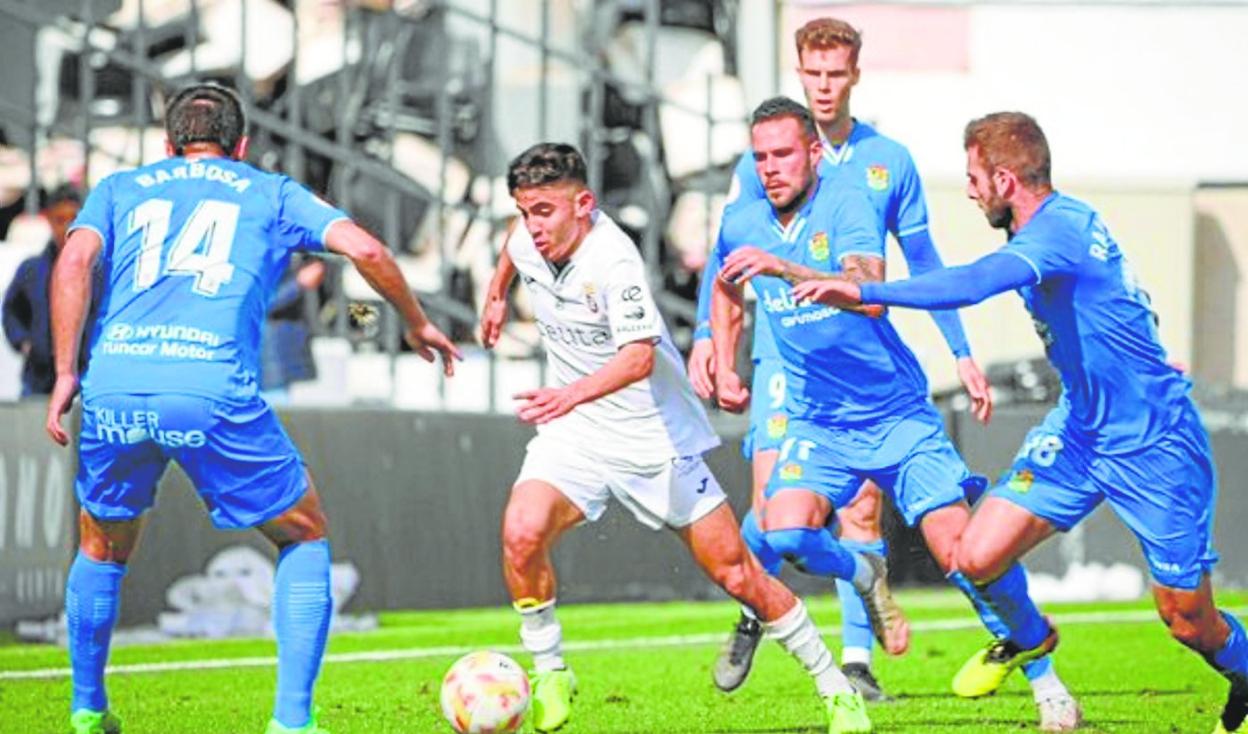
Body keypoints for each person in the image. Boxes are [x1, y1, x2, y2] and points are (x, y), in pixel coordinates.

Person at [795, 110, 1248, 734]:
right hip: (1083, 431)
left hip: (1154, 445)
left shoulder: (1053, 235)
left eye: (975, 178)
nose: (972, 190)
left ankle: (1245, 673)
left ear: (1006, 180)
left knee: (1188, 620)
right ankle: (1031, 641)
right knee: (972, 555)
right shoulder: (1065, 223)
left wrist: (867, 292)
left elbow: (974, 282)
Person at [44, 82, 460, 734]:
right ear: (241, 145)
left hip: (115, 383)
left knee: (100, 547)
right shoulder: (268, 189)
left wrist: (67, 369)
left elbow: (75, 260)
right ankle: (292, 721)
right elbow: (369, 250)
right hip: (208, 385)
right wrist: (414, 322)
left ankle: (87, 709)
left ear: (167, 143)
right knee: (304, 532)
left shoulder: (121, 188)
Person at [481, 141, 883, 734]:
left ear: (584, 204)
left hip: (654, 441)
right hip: (577, 434)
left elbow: (639, 358)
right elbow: (512, 255)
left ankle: (834, 688)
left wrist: (566, 394)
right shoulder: (528, 238)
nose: (532, 226)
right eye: (524, 210)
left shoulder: (613, 263)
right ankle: (549, 668)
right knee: (520, 532)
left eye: (544, 211)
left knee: (739, 575)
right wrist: (494, 296)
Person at [714, 98, 1080, 732]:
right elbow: (723, 286)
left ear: (811, 154)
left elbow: (870, 293)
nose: (771, 168)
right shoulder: (741, 221)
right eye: (761, 156)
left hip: (895, 414)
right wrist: (723, 358)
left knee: (964, 553)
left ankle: (1047, 681)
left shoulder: (848, 202)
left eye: (782, 154)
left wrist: (787, 266)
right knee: (782, 531)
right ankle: (865, 573)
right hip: (817, 421)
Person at [688, 17, 993, 701]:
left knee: (859, 511)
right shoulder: (762, 157)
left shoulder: (889, 163)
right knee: (774, 510)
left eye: (835, 75)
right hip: (781, 355)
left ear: (855, 75)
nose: (824, 88)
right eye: (812, 75)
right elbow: (727, 262)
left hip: (859, 362)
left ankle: (857, 663)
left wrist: (962, 348)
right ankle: (753, 609)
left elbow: (924, 265)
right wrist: (713, 341)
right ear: (799, 75)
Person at [3, 185, 87, 396]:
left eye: (73, 218)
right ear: (48, 219)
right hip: (39, 377)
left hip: (85, 375)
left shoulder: (98, 269)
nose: (67, 226)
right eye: (59, 219)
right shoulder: (32, 269)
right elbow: (11, 310)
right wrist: (24, 342)